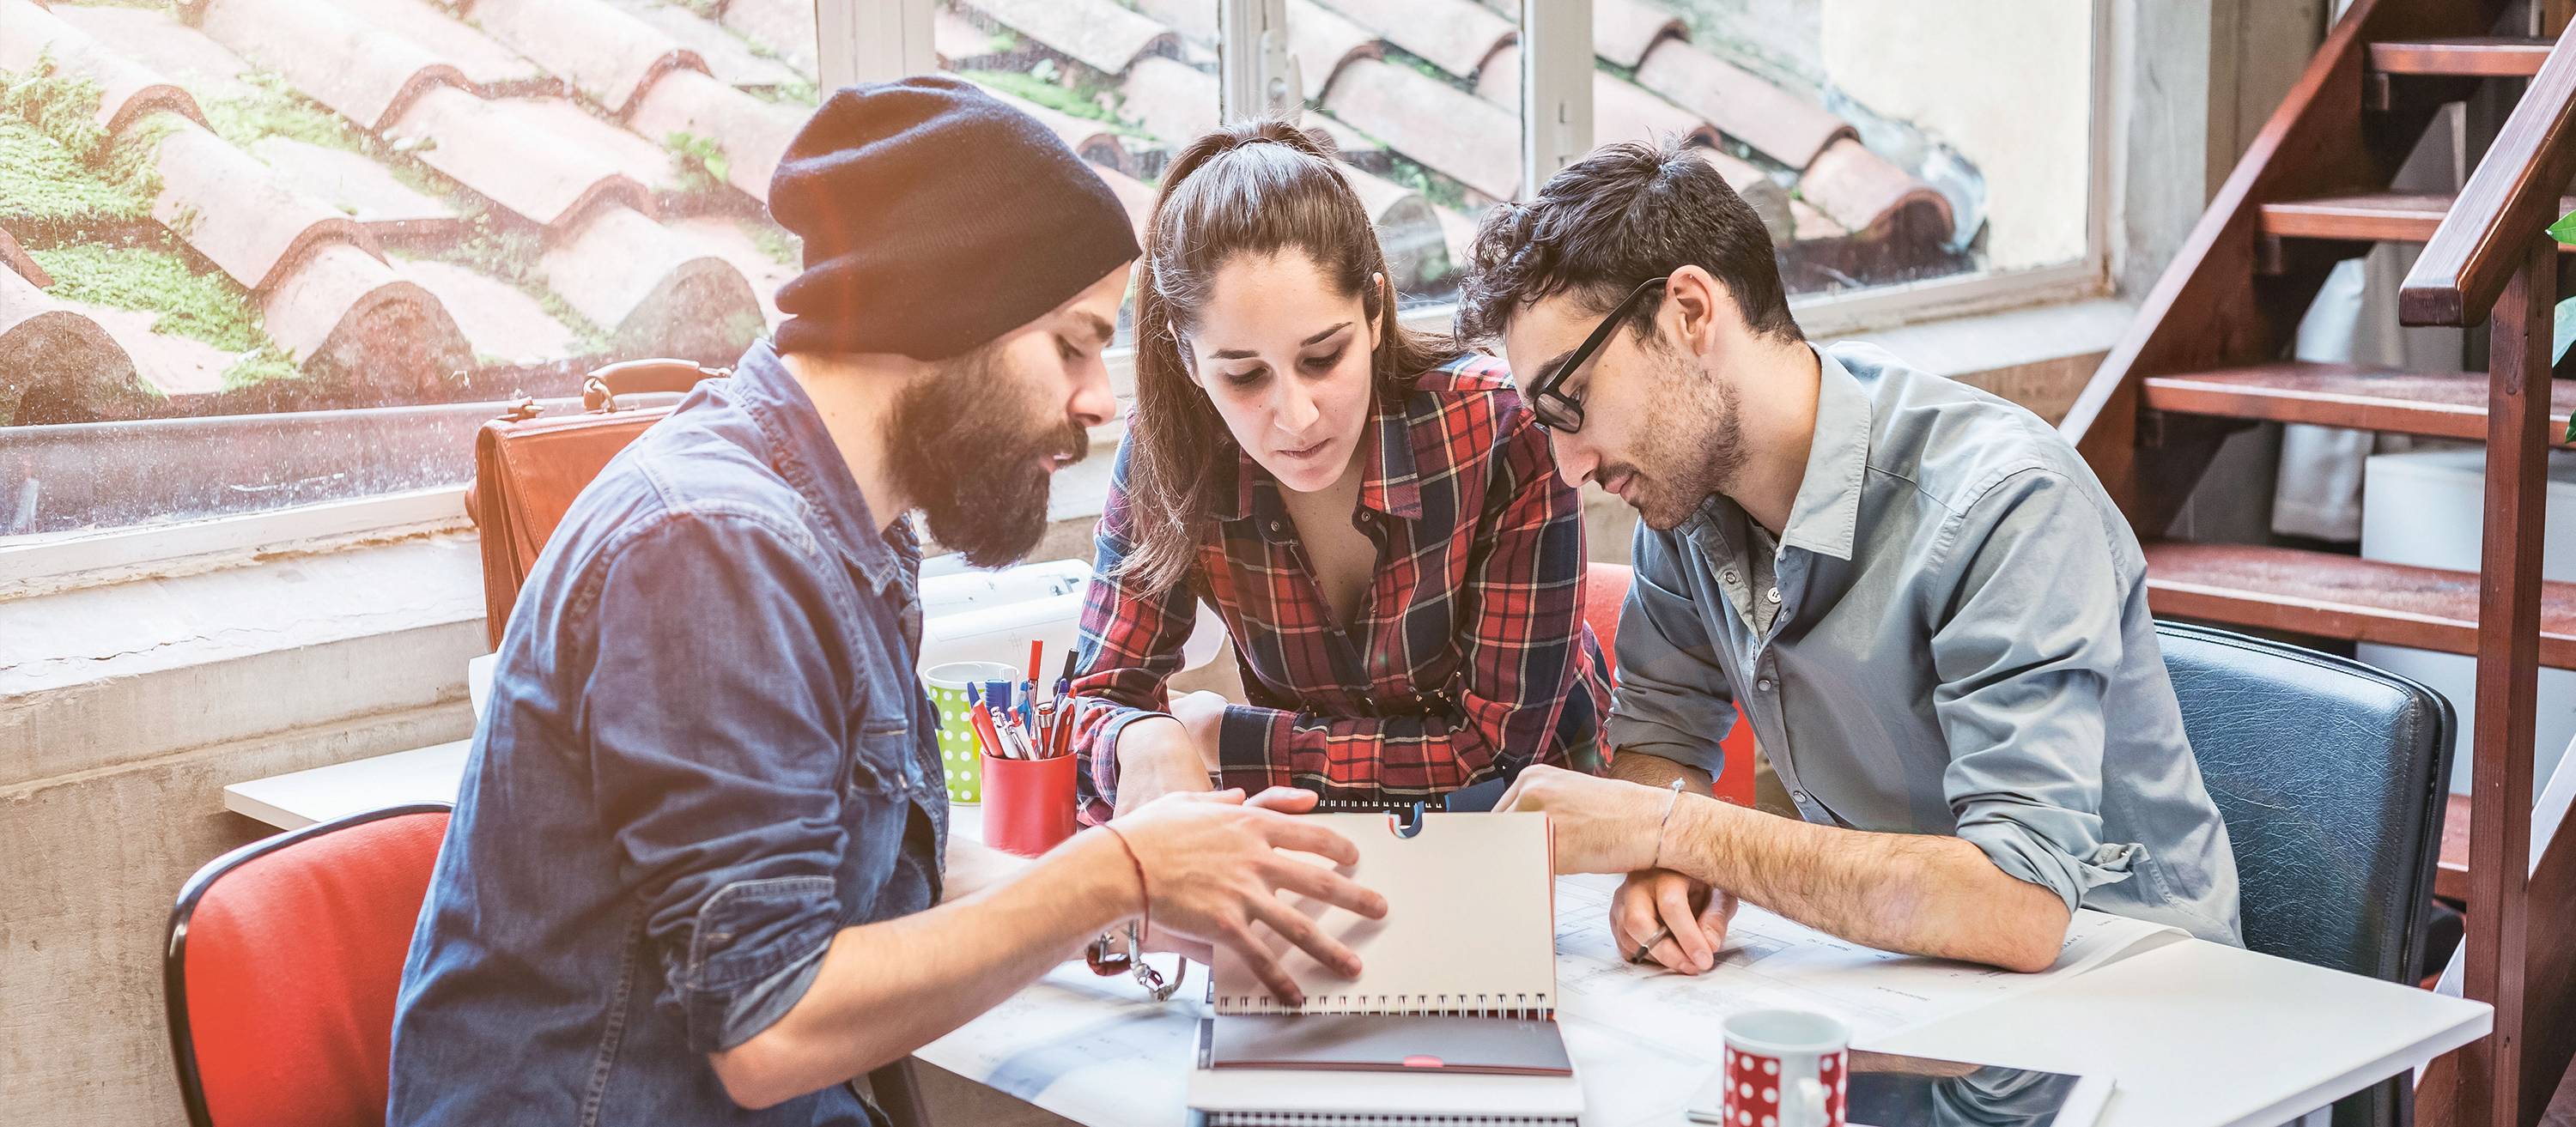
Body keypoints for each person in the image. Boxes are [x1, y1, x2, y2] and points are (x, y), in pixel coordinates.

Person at [386, 79, 1386, 1126]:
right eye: (1072, 342)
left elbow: (890, 866)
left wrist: (1160, 907)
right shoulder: (711, 545)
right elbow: (769, 1027)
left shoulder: (849, 528)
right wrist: (1121, 869)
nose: (1098, 397)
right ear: (945, 313)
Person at [1462, 140, 2242, 975]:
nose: (1570, 467)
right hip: (1914, 976)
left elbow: (2018, 903)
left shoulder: (2005, 503)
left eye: (1571, 400)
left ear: (1690, 312)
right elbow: (1662, 738)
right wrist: (1664, 867)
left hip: (2138, 981)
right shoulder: (1684, 504)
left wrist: (1676, 832)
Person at [1066, 121, 1612, 821]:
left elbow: (1494, 753)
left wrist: (1223, 735)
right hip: (1327, 840)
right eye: (1244, 375)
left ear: (1375, 311)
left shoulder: (1506, 432)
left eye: (1323, 358)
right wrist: (1141, 736)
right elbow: (1094, 701)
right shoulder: (1168, 452)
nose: (1296, 417)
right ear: (1188, 359)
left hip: (1541, 837)